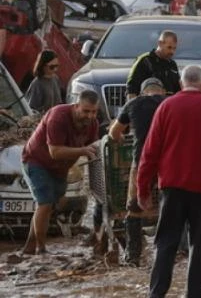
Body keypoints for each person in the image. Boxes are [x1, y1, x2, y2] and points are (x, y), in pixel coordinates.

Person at [138, 65, 201, 298]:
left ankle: (156, 293)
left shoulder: (166, 106)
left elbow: (149, 152)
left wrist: (142, 189)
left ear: (181, 84)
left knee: (166, 243)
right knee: (199, 246)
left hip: (172, 186)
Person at [20, 91, 99, 255]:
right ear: (76, 106)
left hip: (60, 168)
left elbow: (94, 148)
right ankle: (41, 250)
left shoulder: (93, 123)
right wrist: (83, 150)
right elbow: (54, 152)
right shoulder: (58, 116)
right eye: (85, 111)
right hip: (36, 160)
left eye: (93, 112)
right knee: (45, 202)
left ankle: (28, 247)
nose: (89, 116)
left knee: (51, 204)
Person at [109, 77, 170, 266]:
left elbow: (113, 133)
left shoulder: (133, 103)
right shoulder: (170, 103)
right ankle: (173, 251)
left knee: (134, 208)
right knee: (170, 205)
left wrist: (121, 138)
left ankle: (133, 255)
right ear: (162, 91)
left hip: (142, 160)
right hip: (168, 162)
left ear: (143, 92)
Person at [126, 31, 181, 100]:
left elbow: (178, 90)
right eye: (169, 47)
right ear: (160, 43)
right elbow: (131, 88)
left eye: (174, 48)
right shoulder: (145, 60)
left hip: (168, 106)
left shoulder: (172, 64)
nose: (172, 52)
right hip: (147, 106)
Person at [24, 49, 62, 114]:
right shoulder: (37, 84)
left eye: (57, 66)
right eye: (52, 67)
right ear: (42, 65)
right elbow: (32, 109)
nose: (55, 69)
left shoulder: (55, 79)